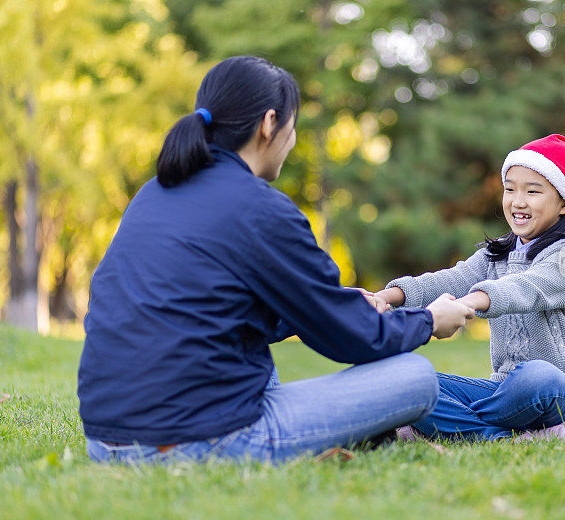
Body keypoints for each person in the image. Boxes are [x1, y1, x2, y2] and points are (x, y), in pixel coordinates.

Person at [77, 56, 475, 465]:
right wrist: (429, 320)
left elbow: (210, 308)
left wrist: (333, 302)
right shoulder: (261, 208)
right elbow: (352, 339)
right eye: (293, 123)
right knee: (416, 377)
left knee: (258, 363)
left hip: (106, 441)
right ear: (269, 123)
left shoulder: (154, 193)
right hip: (193, 443)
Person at [374, 134, 565, 442]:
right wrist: (385, 297)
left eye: (533, 191)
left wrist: (468, 304)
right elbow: (448, 280)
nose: (517, 201)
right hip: (504, 393)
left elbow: (526, 288)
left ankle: (441, 422)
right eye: (510, 189)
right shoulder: (496, 252)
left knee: (534, 376)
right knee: (407, 380)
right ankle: (507, 437)